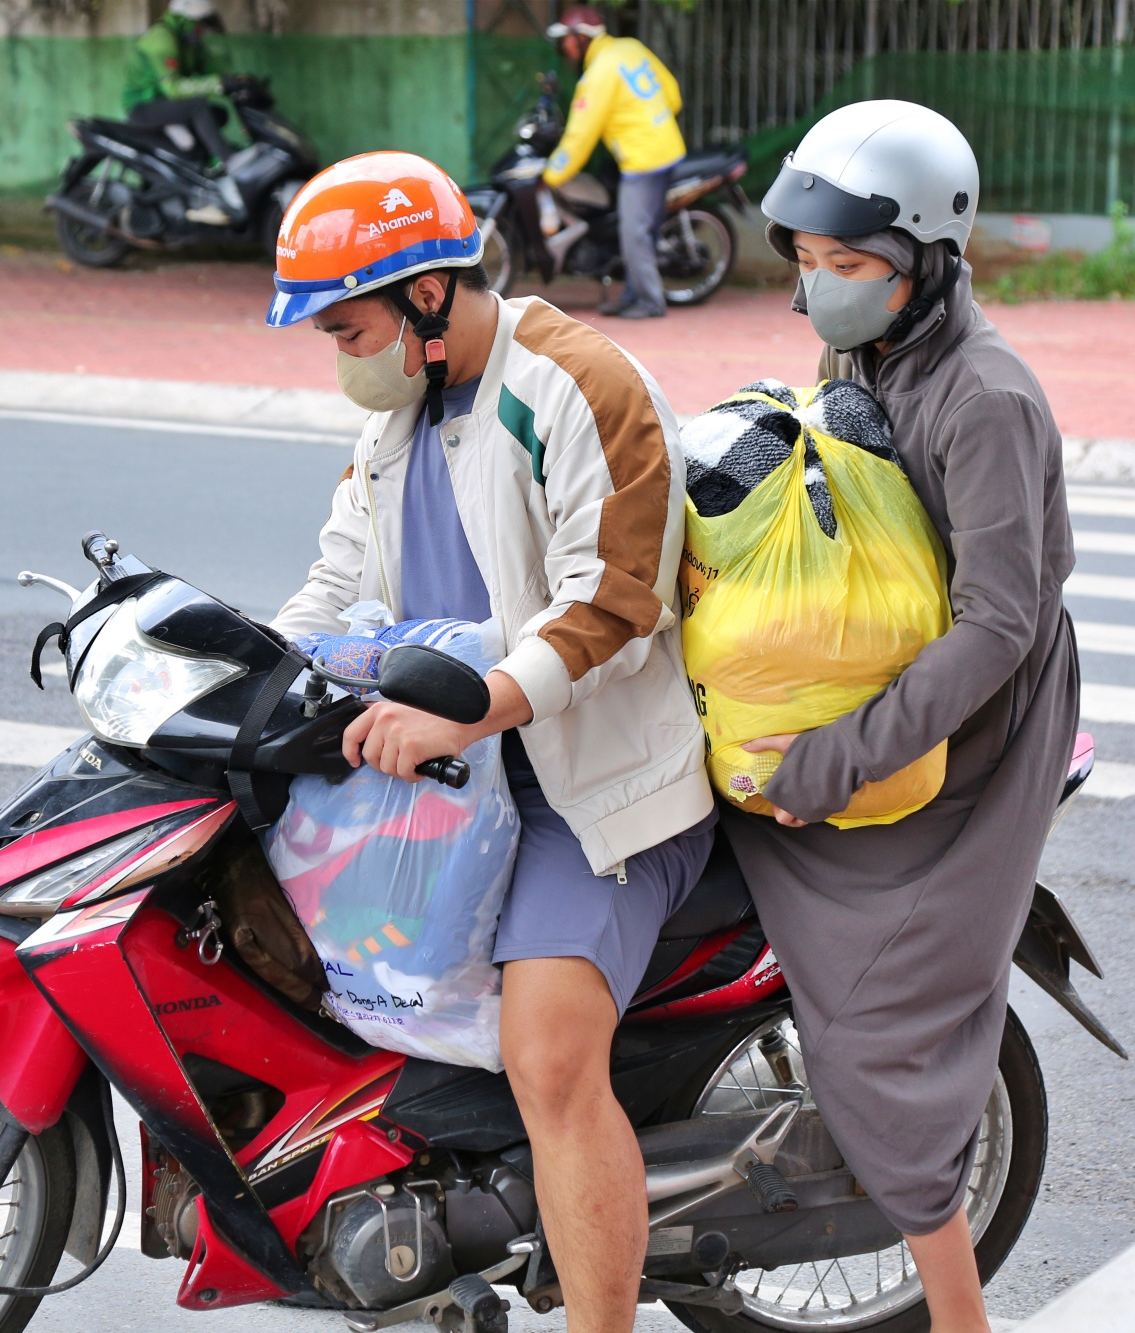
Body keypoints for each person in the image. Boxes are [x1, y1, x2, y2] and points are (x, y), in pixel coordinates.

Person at [268, 151, 717, 1333]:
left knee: (549, 1058)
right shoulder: (393, 419)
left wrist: (469, 707)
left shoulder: (577, 382)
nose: (338, 356)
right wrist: (244, 668)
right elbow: (331, 585)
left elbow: (614, 602)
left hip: (588, 792)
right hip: (448, 789)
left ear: (425, 294)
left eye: (345, 328)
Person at [724, 100, 1078, 1333]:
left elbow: (996, 623)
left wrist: (835, 758)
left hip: (971, 724)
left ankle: (955, 1313)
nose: (817, 285)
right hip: (880, 672)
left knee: (883, 1025)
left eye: (848, 263)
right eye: (806, 260)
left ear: (923, 261)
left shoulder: (985, 399)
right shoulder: (864, 354)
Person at [543, 6, 684, 320]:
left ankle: (650, 301)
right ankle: (632, 295)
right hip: (666, 148)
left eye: (566, 40)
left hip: (643, 160)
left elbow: (579, 137)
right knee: (644, 230)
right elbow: (673, 95)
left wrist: (551, 175)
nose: (564, 48)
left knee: (634, 234)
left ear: (581, 38)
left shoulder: (598, 75)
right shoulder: (629, 47)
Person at [121, 0, 250, 223]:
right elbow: (172, 88)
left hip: (169, 107)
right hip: (143, 107)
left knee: (218, 114)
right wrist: (217, 83)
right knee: (198, 107)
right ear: (185, 20)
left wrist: (235, 81)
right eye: (199, 24)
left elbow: (209, 69)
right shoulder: (162, 39)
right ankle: (231, 163)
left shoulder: (189, 42)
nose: (202, 30)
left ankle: (204, 183)